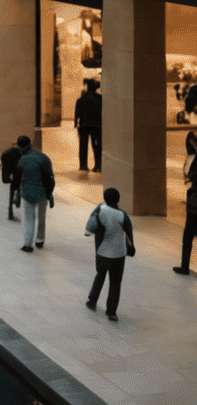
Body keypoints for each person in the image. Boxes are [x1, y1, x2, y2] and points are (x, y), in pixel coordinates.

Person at [85, 186, 135, 321]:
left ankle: (92, 299)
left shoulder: (100, 209)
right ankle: (111, 312)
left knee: (100, 275)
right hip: (119, 253)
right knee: (116, 282)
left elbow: (90, 226)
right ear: (118, 199)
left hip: (102, 251)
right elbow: (129, 232)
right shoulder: (122, 215)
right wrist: (131, 247)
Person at [16, 136, 56, 251]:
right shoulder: (43, 158)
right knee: (41, 217)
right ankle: (40, 239)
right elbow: (51, 177)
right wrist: (50, 194)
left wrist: (17, 194)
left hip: (28, 193)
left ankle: (27, 244)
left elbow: (18, 179)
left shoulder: (23, 160)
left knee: (29, 219)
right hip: (43, 192)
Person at [74, 80, 103, 172]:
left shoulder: (81, 99)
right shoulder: (100, 98)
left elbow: (77, 113)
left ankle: (83, 165)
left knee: (83, 146)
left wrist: (75, 123)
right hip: (96, 126)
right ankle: (97, 166)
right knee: (97, 146)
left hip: (84, 125)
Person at [175, 174, 197, 276]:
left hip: (193, 216)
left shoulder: (193, 191)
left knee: (187, 240)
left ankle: (184, 267)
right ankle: (184, 267)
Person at [0, 137, 24, 221]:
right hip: (18, 172)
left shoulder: (8, 152)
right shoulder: (24, 153)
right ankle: (17, 198)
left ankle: (10, 209)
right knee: (18, 184)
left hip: (9, 170)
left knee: (12, 188)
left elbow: (3, 158)